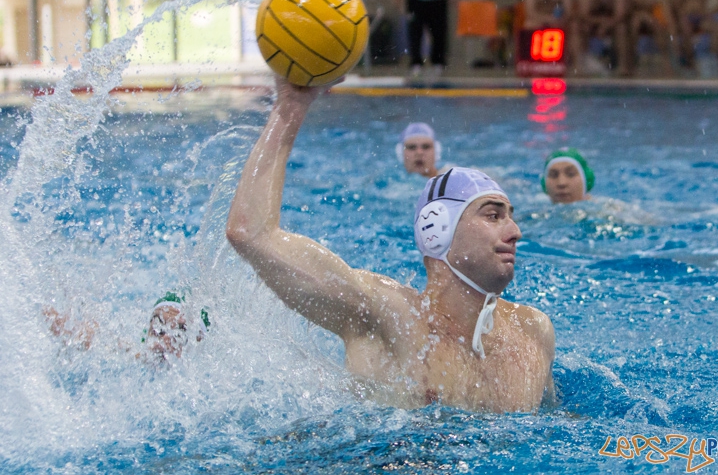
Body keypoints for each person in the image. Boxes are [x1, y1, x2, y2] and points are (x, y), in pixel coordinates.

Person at [226, 76, 555, 413]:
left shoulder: (533, 333)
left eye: (510, 216)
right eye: (493, 216)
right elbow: (251, 234)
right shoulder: (387, 317)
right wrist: (290, 108)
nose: (515, 230)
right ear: (437, 228)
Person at [44, 291, 209, 363]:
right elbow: (95, 341)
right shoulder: (136, 358)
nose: (163, 343)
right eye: (158, 330)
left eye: (179, 334)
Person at [573, 0, 632, 76]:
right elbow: (583, 15)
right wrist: (602, 22)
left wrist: (607, 25)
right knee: (577, 27)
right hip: (590, 23)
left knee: (622, 28)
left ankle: (623, 66)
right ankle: (578, 66)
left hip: (611, 24)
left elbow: (621, 14)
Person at [626, 0, 677, 73]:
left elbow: (667, 14)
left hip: (653, 22)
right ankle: (630, 60)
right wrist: (643, 15)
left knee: (659, 27)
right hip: (635, 20)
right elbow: (627, 10)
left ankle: (667, 62)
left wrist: (672, 33)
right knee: (636, 22)